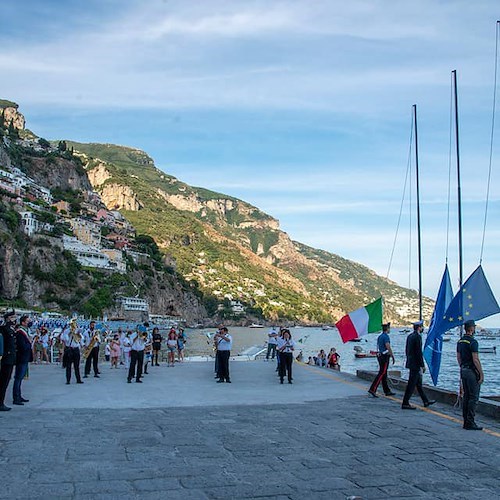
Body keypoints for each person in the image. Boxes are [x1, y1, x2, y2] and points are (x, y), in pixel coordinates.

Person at [401, 321, 436, 410]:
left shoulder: (410, 336)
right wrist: (422, 365)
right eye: (421, 327)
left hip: (411, 362)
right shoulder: (417, 337)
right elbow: (418, 353)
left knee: (418, 384)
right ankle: (405, 403)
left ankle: (425, 401)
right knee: (411, 384)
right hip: (415, 364)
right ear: (419, 328)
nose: (422, 328)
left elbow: (407, 350)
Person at [457, 320, 484, 430]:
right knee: (473, 397)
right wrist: (481, 374)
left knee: (466, 396)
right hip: (471, 372)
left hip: (463, 369)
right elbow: (475, 359)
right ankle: (470, 422)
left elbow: (458, 357)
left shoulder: (460, 341)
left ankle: (465, 421)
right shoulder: (473, 342)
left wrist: (462, 367)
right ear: (472, 329)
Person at [368, 323, 395, 397]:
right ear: (387, 329)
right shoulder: (386, 337)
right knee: (382, 373)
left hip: (380, 355)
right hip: (385, 356)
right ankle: (373, 389)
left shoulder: (380, 336)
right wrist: (392, 355)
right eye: (389, 328)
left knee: (384, 374)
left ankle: (387, 390)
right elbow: (388, 346)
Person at [13, 315, 33, 405]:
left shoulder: (25, 331)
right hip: (21, 357)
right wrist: (29, 343)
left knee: (20, 378)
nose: (29, 323)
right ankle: (16, 397)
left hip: (25, 357)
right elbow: (22, 346)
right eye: (28, 321)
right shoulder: (20, 332)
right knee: (18, 378)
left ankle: (19, 395)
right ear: (23, 322)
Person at [0, 310, 17, 411]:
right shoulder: (4, 329)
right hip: (6, 359)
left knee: (6, 381)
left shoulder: (10, 329)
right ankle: (0, 403)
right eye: (13, 317)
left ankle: (1, 401)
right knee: (3, 381)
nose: (15, 319)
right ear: (8, 318)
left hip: (10, 359)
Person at [61, 320, 84, 385]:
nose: (73, 325)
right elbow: (66, 339)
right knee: (68, 366)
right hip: (69, 349)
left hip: (76, 349)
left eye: (74, 324)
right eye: (72, 324)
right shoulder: (66, 331)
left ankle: (78, 379)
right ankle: (68, 380)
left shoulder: (77, 331)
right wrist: (70, 333)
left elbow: (81, 338)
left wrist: (78, 333)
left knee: (77, 366)